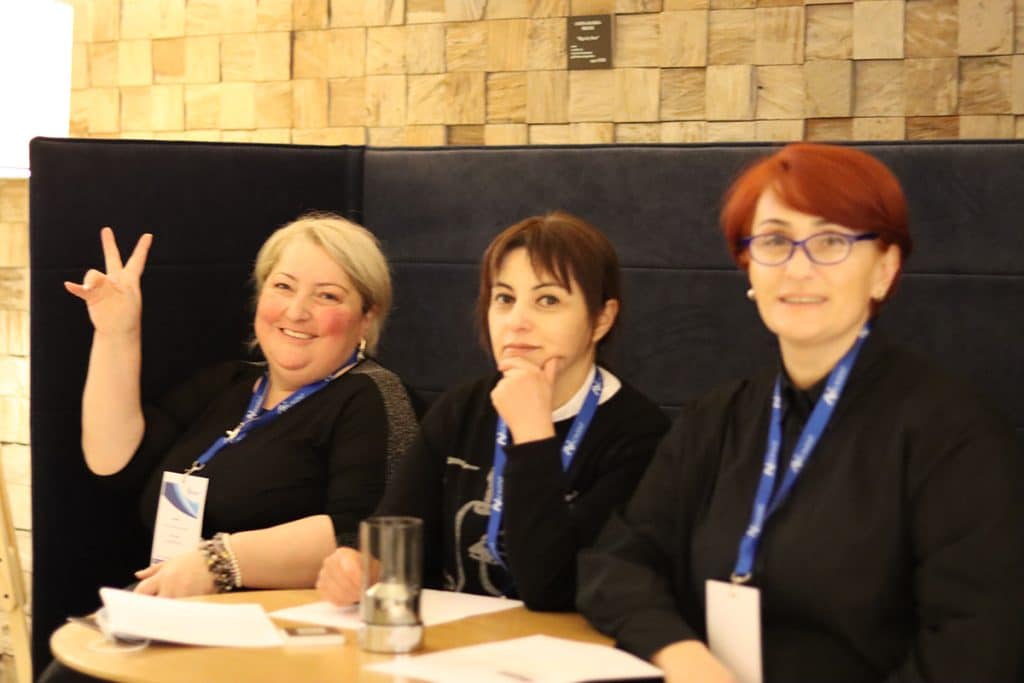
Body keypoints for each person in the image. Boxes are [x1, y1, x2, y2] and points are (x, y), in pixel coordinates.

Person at [576, 143, 1024, 683]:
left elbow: (975, 649)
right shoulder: (717, 419)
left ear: (884, 270)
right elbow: (615, 565)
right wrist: (683, 657)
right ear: (749, 268)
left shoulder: (953, 436)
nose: (798, 268)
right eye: (774, 241)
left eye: (831, 240)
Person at [316, 211, 670, 610]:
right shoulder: (461, 408)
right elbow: (394, 538)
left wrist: (532, 434)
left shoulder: (641, 436)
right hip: (455, 636)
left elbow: (553, 590)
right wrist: (361, 568)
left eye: (548, 300)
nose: (517, 322)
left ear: (601, 319)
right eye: (504, 298)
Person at [63, 212, 418, 597]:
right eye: (283, 286)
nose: (296, 311)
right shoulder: (229, 383)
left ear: (367, 318)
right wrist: (116, 333)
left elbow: (368, 534)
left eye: (327, 295)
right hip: (173, 611)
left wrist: (220, 561)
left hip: (286, 625)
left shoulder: (372, 395)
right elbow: (113, 461)